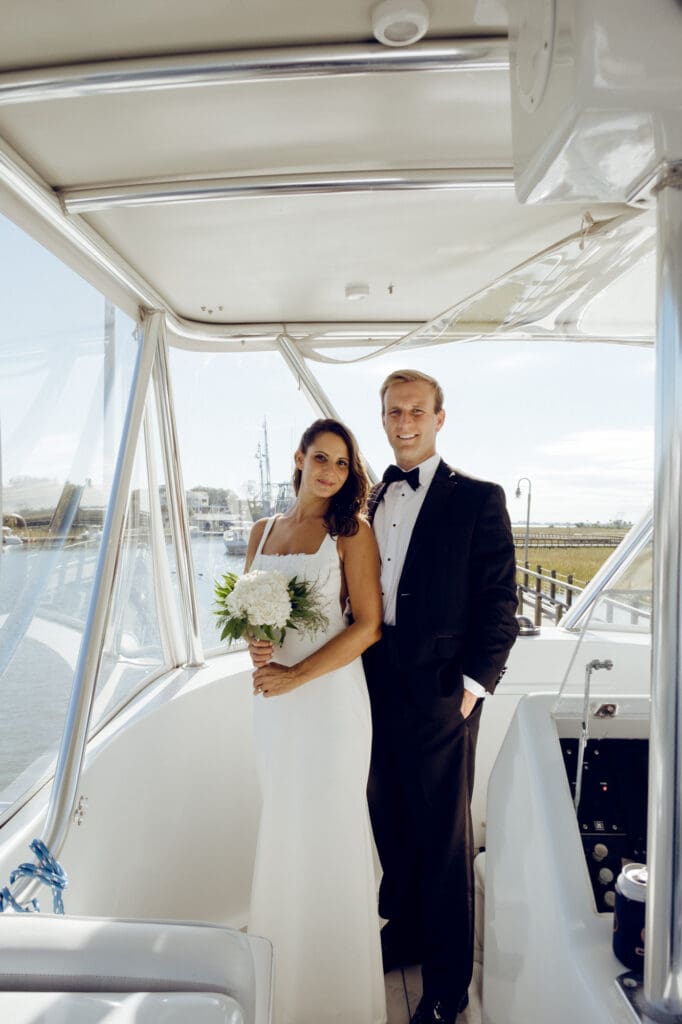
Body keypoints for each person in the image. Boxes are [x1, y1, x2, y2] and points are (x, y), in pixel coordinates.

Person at [362, 369, 519, 1024]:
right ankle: (406, 932)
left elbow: (500, 604)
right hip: (372, 685)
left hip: (441, 695)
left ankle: (448, 983)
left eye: (417, 411)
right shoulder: (369, 498)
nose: (406, 422)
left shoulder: (478, 499)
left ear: (439, 418)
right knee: (387, 817)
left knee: (444, 838)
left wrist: (472, 689)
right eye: (395, 411)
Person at [245, 417, 387, 1024]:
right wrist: (253, 641)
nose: (330, 472)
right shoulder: (262, 530)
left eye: (342, 464)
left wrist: (297, 676)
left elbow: (368, 626)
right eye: (321, 458)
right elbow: (250, 610)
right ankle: (283, 986)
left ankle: (341, 997)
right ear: (299, 458)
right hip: (272, 707)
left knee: (329, 830)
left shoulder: (351, 532)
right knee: (284, 824)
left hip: (329, 707)